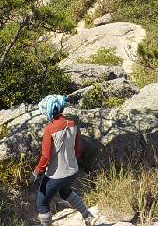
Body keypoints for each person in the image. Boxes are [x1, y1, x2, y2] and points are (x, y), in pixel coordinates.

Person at [30, 95, 97, 226]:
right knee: (65, 192)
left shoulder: (50, 129)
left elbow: (45, 156)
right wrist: (70, 162)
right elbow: (78, 150)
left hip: (56, 176)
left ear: (48, 111)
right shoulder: (73, 124)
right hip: (72, 171)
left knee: (42, 203)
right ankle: (88, 216)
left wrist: (36, 172)